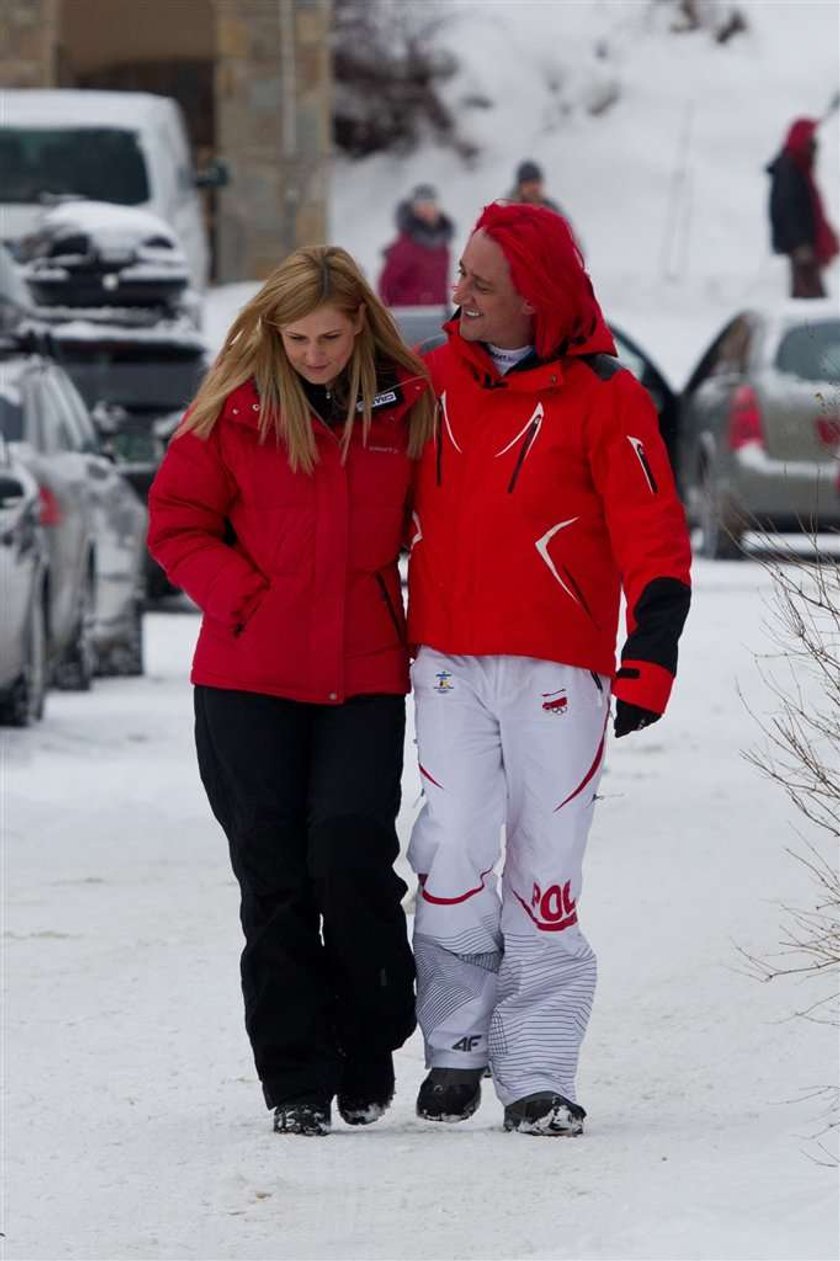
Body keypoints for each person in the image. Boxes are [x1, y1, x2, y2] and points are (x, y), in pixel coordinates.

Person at [405, 202, 692, 1136]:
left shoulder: (609, 395)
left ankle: (537, 1070)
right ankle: (455, 1044)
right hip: (447, 657)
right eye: (462, 278)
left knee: (547, 866)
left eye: (482, 285)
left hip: (560, 671)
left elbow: (655, 537)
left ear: (541, 298)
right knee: (449, 840)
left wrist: (649, 656)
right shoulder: (429, 380)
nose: (462, 297)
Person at [147, 245, 435, 1137]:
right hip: (246, 679)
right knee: (272, 880)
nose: (316, 354)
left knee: (349, 858)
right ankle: (295, 1078)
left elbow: (444, 524)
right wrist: (245, 597)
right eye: (300, 337)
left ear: (362, 329)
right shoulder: (230, 411)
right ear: (272, 331)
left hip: (364, 676)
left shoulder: (406, 408)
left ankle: (371, 1036)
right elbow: (177, 524)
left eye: (332, 337)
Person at [767, 117, 839, 298]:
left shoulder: (798, 168)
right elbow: (787, 209)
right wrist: (800, 244)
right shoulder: (789, 170)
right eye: (811, 143)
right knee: (810, 301)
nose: (815, 148)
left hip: (806, 247)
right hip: (802, 249)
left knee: (810, 298)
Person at [378, 183, 455, 307]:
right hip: (409, 317)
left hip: (437, 316)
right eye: (421, 205)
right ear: (413, 210)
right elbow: (386, 286)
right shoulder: (404, 246)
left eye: (430, 204)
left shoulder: (442, 246)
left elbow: (442, 285)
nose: (426, 210)